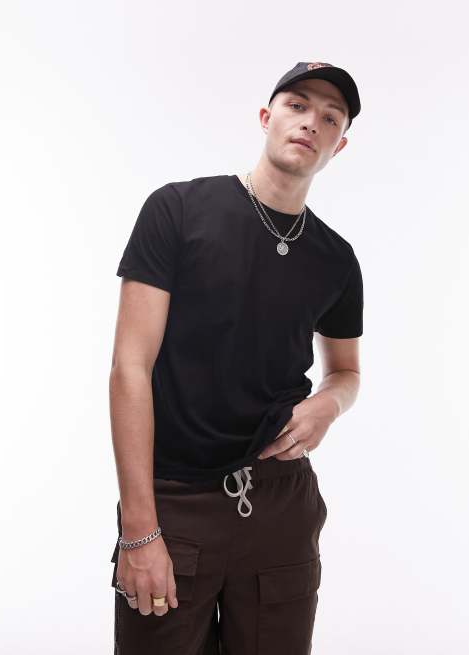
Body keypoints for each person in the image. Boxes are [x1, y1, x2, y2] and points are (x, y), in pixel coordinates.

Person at [109, 61, 364, 655]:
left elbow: (346, 371)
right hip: (176, 502)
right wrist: (139, 530)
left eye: (330, 118)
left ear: (339, 145)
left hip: (280, 506)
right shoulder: (177, 209)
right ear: (266, 116)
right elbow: (129, 369)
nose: (311, 122)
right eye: (297, 105)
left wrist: (329, 403)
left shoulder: (336, 259)